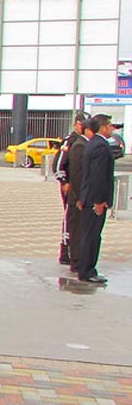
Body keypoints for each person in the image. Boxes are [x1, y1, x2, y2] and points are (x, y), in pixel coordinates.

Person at [76, 115, 116, 284]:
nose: (112, 129)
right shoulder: (100, 145)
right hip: (94, 199)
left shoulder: (93, 143)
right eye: (110, 126)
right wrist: (99, 201)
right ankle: (87, 271)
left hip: (89, 196)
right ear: (103, 127)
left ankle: (85, 269)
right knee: (92, 236)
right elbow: (98, 176)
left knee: (89, 235)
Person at [56, 113, 87, 267]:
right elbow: (58, 164)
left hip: (79, 187)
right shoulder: (70, 141)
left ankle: (75, 249)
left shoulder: (85, 141)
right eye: (82, 124)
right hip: (70, 187)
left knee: (77, 220)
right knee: (70, 218)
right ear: (76, 124)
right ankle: (65, 251)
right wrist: (64, 181)